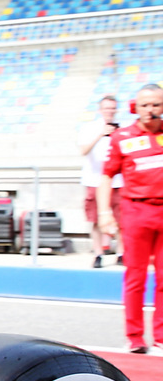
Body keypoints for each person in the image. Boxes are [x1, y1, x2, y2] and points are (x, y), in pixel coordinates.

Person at [99, 83, 163, 353]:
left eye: (156, 105)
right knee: (135, 277)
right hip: (136, 211)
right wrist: (104, 214)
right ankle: (135, 337)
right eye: (146, 105)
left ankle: (160, 336)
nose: (151, 110)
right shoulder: (122, 137)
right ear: (136, 107)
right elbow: (106, 176)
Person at [78, 94, 124, 267]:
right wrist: (101, 134)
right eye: (106, 108)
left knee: (121, 220)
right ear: (100, 110)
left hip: (118, 181)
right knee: (96, 220)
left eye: (112, 108)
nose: (110, 112)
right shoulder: (89, 128)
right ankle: (98, 254)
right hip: (94, 180)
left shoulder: (122, 129)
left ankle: (121, 253)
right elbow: (83, 150)